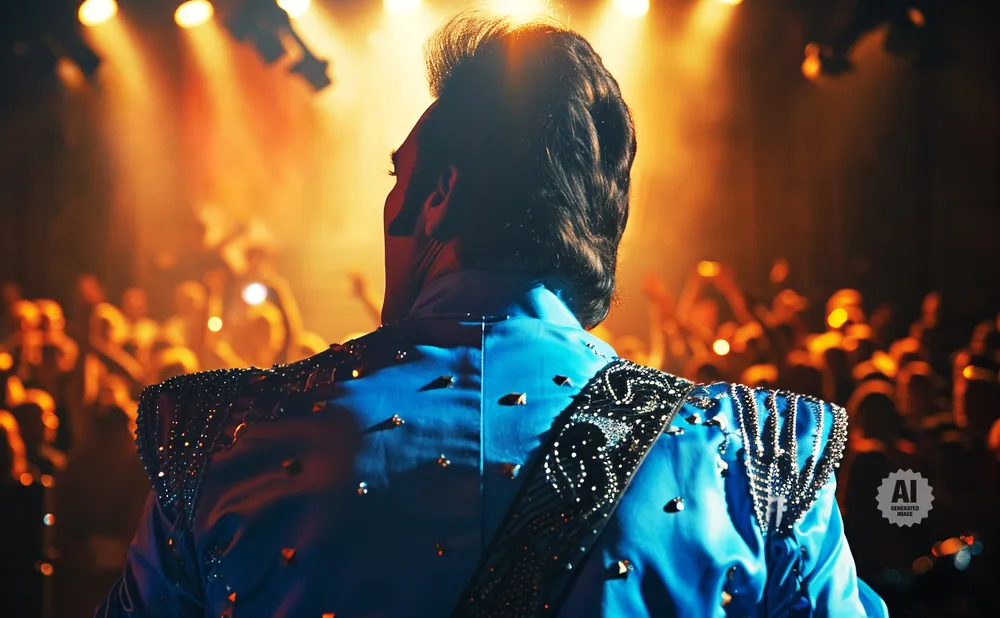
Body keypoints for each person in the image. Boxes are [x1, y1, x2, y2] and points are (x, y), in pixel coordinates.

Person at [96, 11, 885, 617]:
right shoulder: (749, 465)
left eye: (397, 174)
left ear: (438, 195)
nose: (390, 199)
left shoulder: (226, 440)